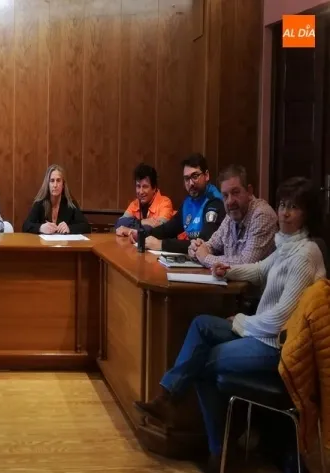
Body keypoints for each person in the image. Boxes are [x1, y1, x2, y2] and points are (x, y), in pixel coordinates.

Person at [134, 176, 327, 473]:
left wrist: (240, 321)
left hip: (277, 347)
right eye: (283, 205)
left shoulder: (306, 254)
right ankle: (169, 397)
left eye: (294, 207)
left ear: (308, 213)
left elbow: (280, 320)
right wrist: (224, 269)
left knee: (201, 362)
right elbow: (259, 270)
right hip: (260, 334)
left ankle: (218, 452)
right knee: (202, 325)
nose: (285, 213)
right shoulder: (287, 245)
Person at [129, 153, 225, 253]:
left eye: (195, 176)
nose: (191, 183)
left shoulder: (215, 202)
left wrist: (161, 244)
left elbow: (205, 244)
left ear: (206, 175)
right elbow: (169, 229)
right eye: (187, 178)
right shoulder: (188, 202)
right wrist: (142, 234)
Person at [189, 164, 277, 267]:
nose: (230, 201)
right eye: (225, 195)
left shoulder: (262, 214)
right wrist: (196, 248)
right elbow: (211, 245)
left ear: (249, 191)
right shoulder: (230, 216)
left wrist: (205, 258)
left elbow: (246, 263)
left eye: (235, 192)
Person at [22, 164, 90, 234]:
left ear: (63, 185)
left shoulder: (70, 204)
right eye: (52, 181)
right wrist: (41, 228)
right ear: (48, 184)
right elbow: (25, 226)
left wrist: (69, 228)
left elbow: (86, 227)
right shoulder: (40, 203)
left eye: (58, 180)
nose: (55, 185)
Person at [115, 163, 174, 237]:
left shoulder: (165, 202)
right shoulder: (135, 203)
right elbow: (119, 223)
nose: (141, 192)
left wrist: (129, 230)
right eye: (138, 186)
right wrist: (142, 222)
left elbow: (158, 230)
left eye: (145, 187)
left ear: (154, 188)